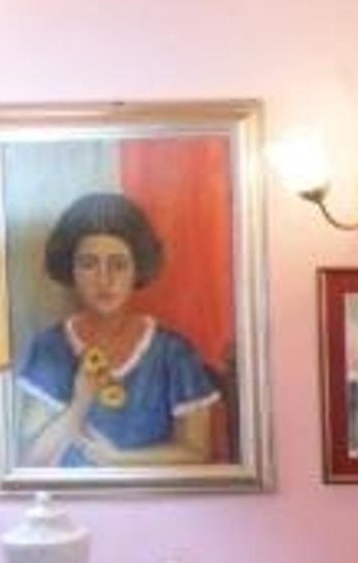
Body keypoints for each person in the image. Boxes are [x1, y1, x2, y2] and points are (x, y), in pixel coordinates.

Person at [17, 192, 220, 468]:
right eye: (89, 264)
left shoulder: (172, 352)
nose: (104, 279)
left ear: (137, 268)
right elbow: (30, 462)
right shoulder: (50, 347)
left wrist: (120, 460)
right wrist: (79, 404)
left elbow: (196, 452)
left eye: (119, 265)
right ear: (71, 270)